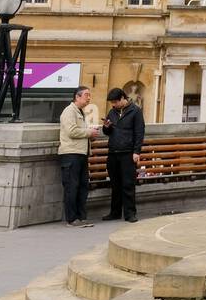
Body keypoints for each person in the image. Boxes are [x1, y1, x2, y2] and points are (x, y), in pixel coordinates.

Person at [101, 87, 145, 223]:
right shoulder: (112, 112)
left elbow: (139, 132)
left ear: (122, 98)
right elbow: (107, 133)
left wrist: (136, 152)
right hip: (113, 152)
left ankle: (130, 213)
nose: (113, 105)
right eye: (111, 103)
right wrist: (106, 126)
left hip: (127, 153)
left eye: (115, 102)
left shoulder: (135, 111)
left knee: (128, 184)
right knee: (115, 184)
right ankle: (115, 212)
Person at [58, 86, 98, 227]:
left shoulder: (80, 112)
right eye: (86, 95)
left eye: (89, 95)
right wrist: (89, 132)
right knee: (71, 187)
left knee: (82, 186)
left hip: (81, 154)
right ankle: (71, 219)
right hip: (70, 154)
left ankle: (81, 217)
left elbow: (79, 132)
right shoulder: (69, 111)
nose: (89, 97)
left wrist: (91, 135)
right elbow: (72, 131)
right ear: (77, 97)